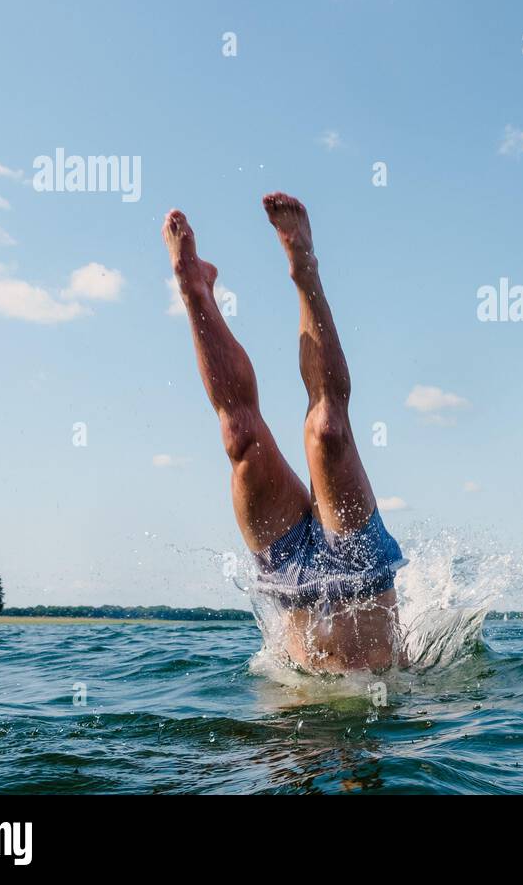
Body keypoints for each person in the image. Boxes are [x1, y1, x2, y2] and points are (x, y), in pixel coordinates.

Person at [162, 193, 405, 672]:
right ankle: (196, 288)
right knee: (251, 436)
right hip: (358, 565)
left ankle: (299, 272)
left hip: (293, 571)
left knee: (322, 430)